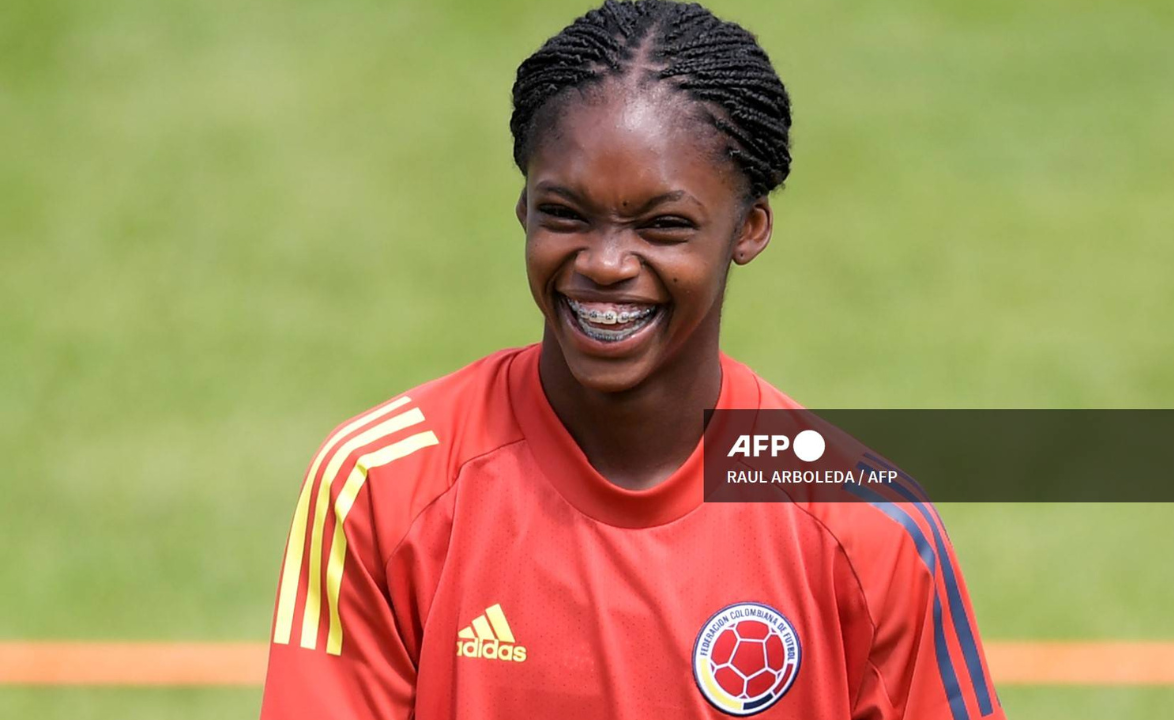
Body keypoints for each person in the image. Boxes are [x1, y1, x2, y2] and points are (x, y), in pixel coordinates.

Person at [260, 1, 1004, 718]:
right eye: (564, 214)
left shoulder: (862, 523)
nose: (606, 263)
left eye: (664, 225)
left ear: (748, 229)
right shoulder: (383, 488)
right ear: (523, 209)